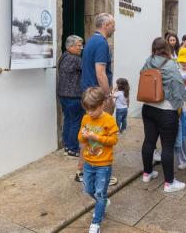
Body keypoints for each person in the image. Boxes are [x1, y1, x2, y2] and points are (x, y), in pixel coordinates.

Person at [140, 37, 186, 192]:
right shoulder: (171, 65)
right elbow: (178, 86)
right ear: (167, 48)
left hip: (148, 106)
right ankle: (169, 182)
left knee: (149, 141)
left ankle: (147, 173)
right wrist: (181, 99)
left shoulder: (148, 61)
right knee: (167, 145)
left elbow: (142, 75)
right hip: (166, 109)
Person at [81, 13, 118, 185]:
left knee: (89, 134)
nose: (114, 28)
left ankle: (83, 171)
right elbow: (100, 73)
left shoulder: (90, 41)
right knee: (101, 133)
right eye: (113, 25)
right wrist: (108, 95)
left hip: (89, 92)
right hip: (97, 95)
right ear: (105, 25)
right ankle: (99, 173)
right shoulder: (102, 43)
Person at [78, 87, 119, 233]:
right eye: (87, 109)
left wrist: (96, 137)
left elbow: (114, 140)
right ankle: (102, 202)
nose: (89, 113)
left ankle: (96, 223)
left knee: (100, 193)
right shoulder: (86, 118)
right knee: (89, 189)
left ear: (102, 104)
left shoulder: (108, 120)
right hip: (89, 162)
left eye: (93, 109)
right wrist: (83, 135)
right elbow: (80, 138)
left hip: (104, 164)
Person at [57, 35, 84, 158]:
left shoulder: (63, 57)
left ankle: (67, 146)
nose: (81, 48)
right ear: (71, 46)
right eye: (79, 45)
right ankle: (73, 148)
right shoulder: (75, 59)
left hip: (63, 94)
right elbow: (88, 69)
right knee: (75, 122)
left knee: (68, 119)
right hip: (74, 96)